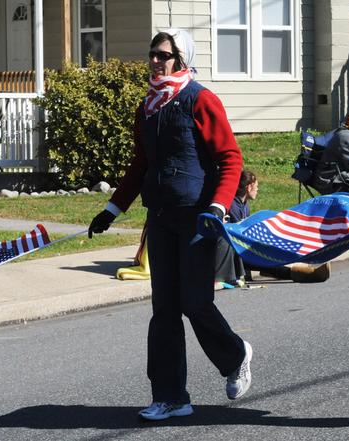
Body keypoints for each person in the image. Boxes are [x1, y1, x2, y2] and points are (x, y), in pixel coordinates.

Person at [88, 28, 253, 421]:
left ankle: (235, 355)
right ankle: (171, 396)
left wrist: (217, 207)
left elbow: (230, 158)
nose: (156, 61)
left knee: (195, 302)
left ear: (181, 59)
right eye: (153, 54)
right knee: (164, 308)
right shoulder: (148, 106)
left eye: (164, 54)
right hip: (160, 216)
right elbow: (140, 165)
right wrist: (112, 208)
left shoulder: (201, 99)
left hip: (198, 218)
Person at [215, 169, 331, 285]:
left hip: (243, 250)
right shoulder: (233, 206)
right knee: (265, 258)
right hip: (236, 252)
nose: (257, 189)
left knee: (269, 252)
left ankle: (299, 269)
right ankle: (306, 273)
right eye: (256, 186)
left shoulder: (244, 206)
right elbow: (237, 232)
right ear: (249, 187)